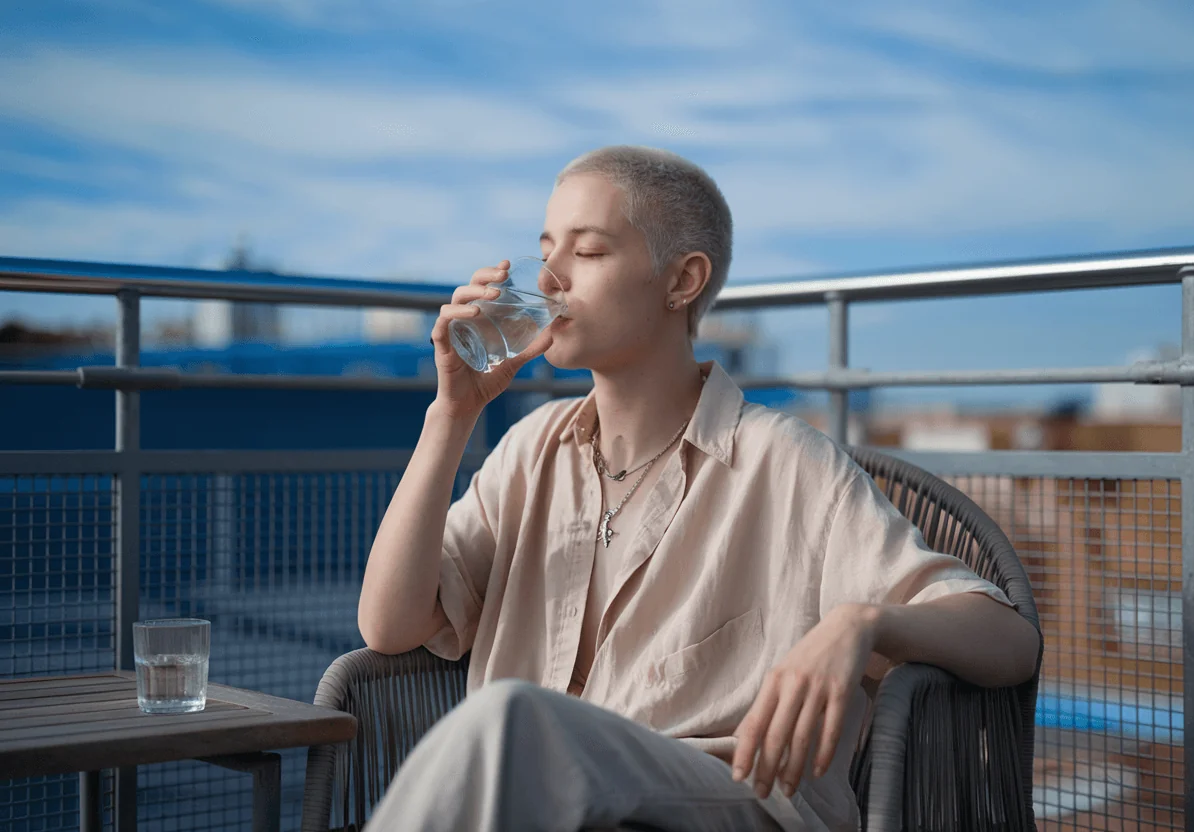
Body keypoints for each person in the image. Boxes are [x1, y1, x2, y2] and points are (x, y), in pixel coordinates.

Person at [357, 145, 1041, 832]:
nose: (550, 277)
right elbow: (389, 625)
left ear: (681, 280)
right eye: (546, 249)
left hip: (733, 803)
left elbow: (1009, 640)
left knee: (511, 717)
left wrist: (862, 622)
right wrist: (451, 416)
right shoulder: (531, 450)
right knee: (518, 727)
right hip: (557, 808)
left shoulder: (784, 461)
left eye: (588, 252)